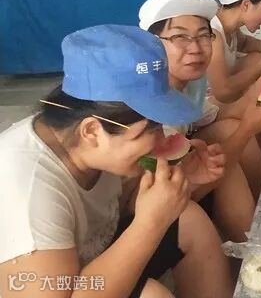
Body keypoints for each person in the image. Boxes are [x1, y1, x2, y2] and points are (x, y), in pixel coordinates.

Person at [0, 25, 233, 297]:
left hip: (90, 258)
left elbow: (118, 203)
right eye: (149, 130)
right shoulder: (27, 191)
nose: (162, 141)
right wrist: (150, 224)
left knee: (188, 218)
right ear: (92, 131)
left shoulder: (86, 144)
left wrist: (183, 182)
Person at [139, 0, 261, 226]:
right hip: (157, 200)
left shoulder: (190, 84)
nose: (195, 48)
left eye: (203, 35)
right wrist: (247, 128)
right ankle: (252, 237)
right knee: (224, 161)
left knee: (229, 130)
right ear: (151, 46)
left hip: (186, 154)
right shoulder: (152, 109)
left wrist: (253, 99)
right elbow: (187, 191)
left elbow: (215, 113)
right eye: (179, 37)